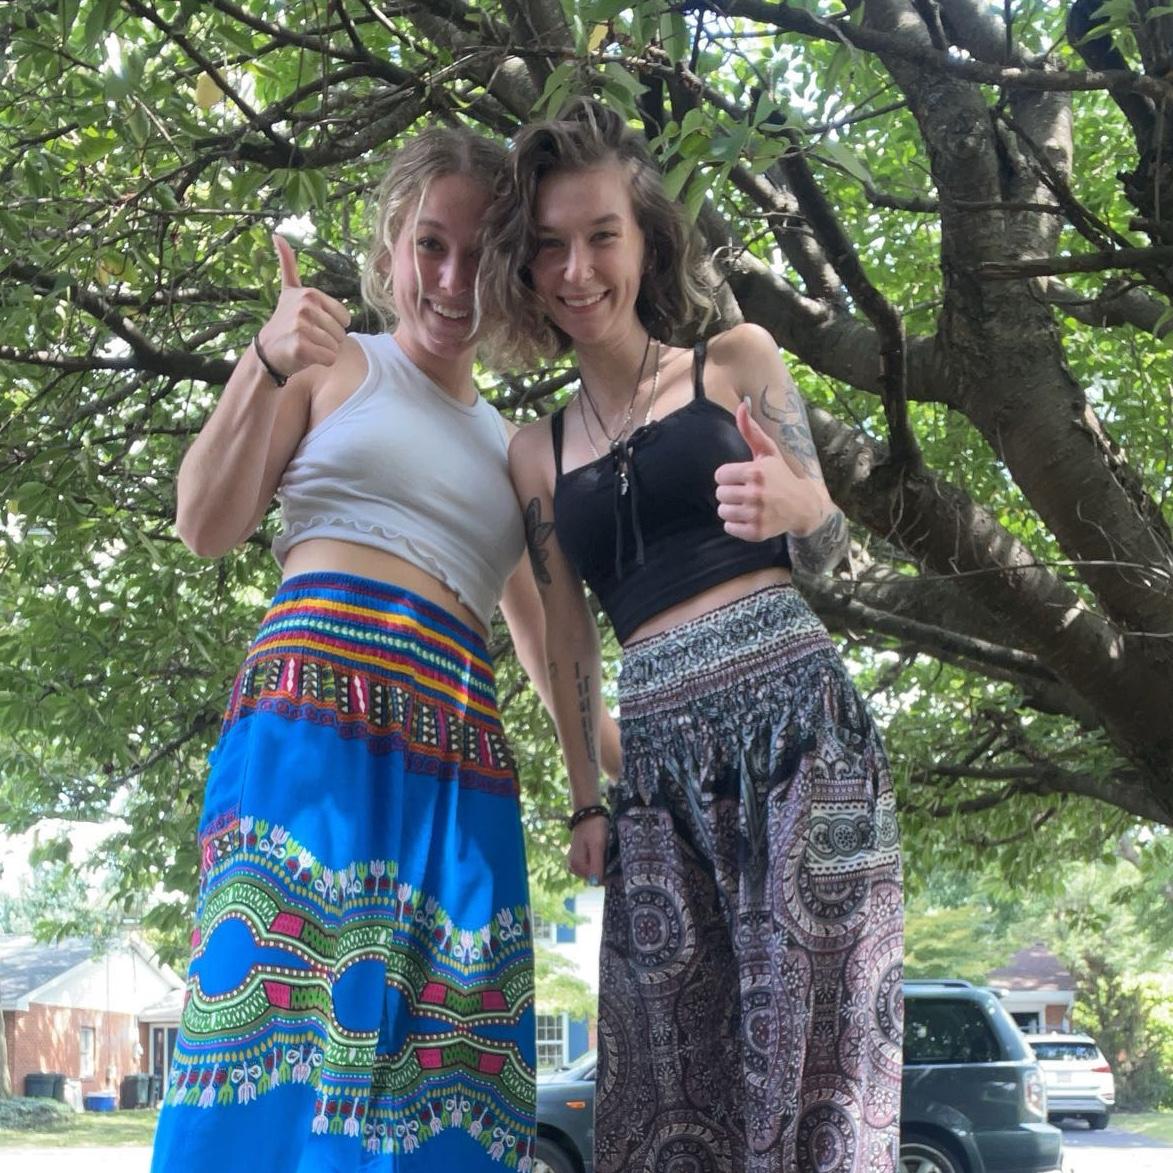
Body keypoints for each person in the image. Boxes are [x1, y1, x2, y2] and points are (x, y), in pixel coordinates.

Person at [152, 127, 616, 1172]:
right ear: (390, 246)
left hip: (455, 767)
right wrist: (264, 360)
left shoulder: (514, 451)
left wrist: (603, 788)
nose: (450, 281)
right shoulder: (331, 364)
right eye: (430, 245)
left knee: (436, 1066)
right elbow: (203, 524)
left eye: (479, 255)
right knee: (270, 1024)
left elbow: (549, 649)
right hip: (309, 734)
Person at [486, 99, 904, 1173]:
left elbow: (833, 548)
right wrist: (586, 794)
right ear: (526, 269)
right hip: (662, 769)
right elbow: (568, 641)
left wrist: (802, 506)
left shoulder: (736, 361)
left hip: (802, 734)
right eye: (550, 246)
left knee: (820, 1066)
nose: (578, 269)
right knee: (673, 1081)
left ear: (646, 241)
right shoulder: (535, 452)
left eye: (602, 236)